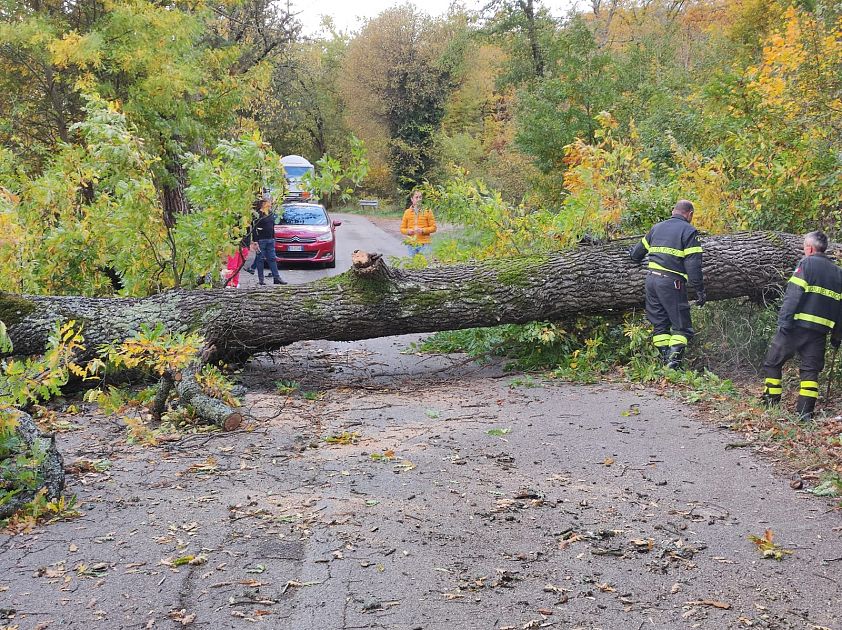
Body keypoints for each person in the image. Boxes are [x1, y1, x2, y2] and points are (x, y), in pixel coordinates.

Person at [761, 231, 842, 420]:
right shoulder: (838, 273)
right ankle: (805, 414)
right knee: (810, 371)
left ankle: (770, 402)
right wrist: (837, 335)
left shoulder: (807, 264)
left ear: (810, 248)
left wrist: (784, 321)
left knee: (773, 362)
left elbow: (794, 294)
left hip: (796, 327)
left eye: (805, 246)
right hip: (819, 332)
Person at [629, 200, 705, 369]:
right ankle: (673, 365)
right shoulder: (689, 231)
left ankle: (664, 363)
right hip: (672, 283)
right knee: (681, 327)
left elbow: (636, 254)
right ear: (690, 214)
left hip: (651, 281)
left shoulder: (657, 227)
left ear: (673, 211)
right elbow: (693, 265)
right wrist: (699, 290)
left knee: (660, 325)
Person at [249, 194, 287, 286]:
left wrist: (274, 237)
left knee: (272, 259)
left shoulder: (270, 212)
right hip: (261, 240)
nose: (270, 203)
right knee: (260, 260)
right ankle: (261, 280)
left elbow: (272, 226)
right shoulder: (257, 214)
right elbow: (254, 228)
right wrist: (255, 241)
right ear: (264, 203)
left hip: (270, 239)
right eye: (269, 201)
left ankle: (276, 277)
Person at [400, 190, 437, 259]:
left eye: (420, 197)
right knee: (412, 267)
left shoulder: (428, 210)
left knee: (425, 266)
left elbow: (434, 228)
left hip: (425, 244)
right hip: (411, 244)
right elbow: (402, 229)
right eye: (416, 197)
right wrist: (408, 231)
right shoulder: (407, 212)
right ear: (412, 199)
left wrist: (423, 230)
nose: (419, 199)